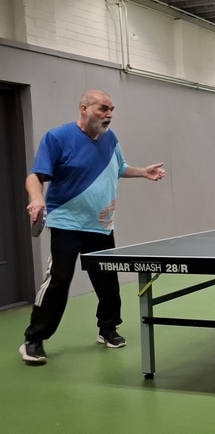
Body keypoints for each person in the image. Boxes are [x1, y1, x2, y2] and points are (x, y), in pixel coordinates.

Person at [20, 90, 166, 364]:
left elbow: (119, 167)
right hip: (66, 223)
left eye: (111, 109)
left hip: (101, 225)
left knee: (107, 280)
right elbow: (35, 176)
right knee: (59, 280)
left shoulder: (110, 138)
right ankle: (34, 339)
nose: (109, 114)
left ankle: (107, 329)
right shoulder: (58, 137)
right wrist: (37, 198)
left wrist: (142, 172)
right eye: (103, 108)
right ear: (84, 108)